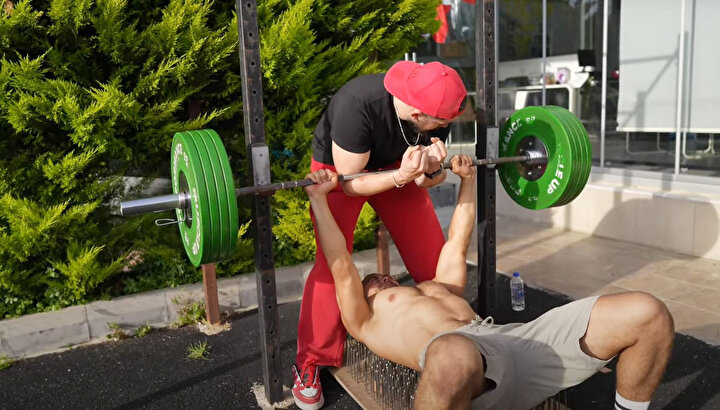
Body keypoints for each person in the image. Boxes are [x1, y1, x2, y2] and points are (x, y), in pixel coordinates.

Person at [302, 156, 675, 410]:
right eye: (373, 284)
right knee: (452, 351)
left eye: (383, 276)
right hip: (467, 370)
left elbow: (458, 239)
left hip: (517, 342)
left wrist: (468, 180)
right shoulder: (364, 320)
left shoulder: (437, 288)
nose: (382, 279)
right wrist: (319, 200)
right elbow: (340, 263)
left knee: (648, 313)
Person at [292, 60, 468, 409]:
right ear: (417, 114)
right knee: (332, 267)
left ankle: (443, 330)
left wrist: (432, 171)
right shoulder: (356, 105)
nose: (445, 127)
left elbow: (427, 180)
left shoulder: (437, 103)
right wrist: (402, 176)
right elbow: (351, 183)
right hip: (339, 175)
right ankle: (310, 361)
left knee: (433, 260)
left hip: (399, 168)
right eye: (441, 123)